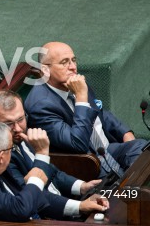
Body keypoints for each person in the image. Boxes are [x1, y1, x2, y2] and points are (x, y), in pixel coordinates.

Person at [25, 42, 148, 178]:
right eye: (64, 62)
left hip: (107, 149)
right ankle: (130, 194)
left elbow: (99, 112)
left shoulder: (73, 81)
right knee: (128, 186)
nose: (72, 67)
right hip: (87, 164)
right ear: (45, 70)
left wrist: (125, 133)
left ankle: (131, 191)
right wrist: (81, 98)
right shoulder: (41, 106)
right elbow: (77, 144)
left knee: (141, 148)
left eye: (74, 60)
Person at [0, 120, 108, 222]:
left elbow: (30, 195)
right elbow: (21, 208)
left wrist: (80, 206)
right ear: (2, 156)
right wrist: (42, 158)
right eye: (12, 148)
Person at [0, 89, 101, 200]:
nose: (18, 128)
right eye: (8, 123)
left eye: (21, 119)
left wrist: (82, 187)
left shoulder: (23, 138)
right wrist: (79, 207)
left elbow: (52, 172)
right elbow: (31, 196)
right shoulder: (1, 156)